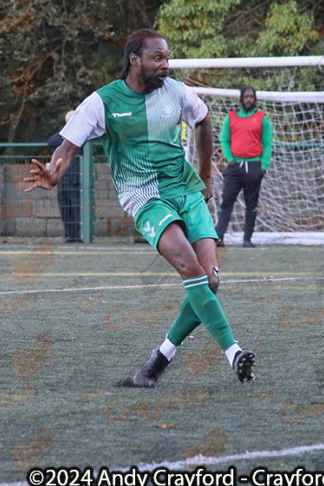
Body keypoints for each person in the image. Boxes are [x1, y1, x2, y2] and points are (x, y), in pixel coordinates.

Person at [25, 29, 256, 386]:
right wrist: (54, 174)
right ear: (135, 60)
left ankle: (157, 362)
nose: (165, 65)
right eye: (157, 58)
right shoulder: (102, 102)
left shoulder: (177, 92)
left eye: (167, 58)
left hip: (186, 190)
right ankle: (234, 353)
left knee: (209, 281)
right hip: (144, 196)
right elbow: (67, 148)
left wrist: (206, 176)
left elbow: (204, 120)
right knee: (188, 265)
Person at [214, 86, 273, 248]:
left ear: (255, 99)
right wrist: (230, 160)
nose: (248, 99)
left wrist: (264, 166)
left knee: (252, 204)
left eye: (251, 97)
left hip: (254, 166)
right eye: (246, 96)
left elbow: (268, 144)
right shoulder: (231, 117)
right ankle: (219, 236)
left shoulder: (262, 118)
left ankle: (247, 238)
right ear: (241, 98)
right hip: (235, 167)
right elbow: (224, 139)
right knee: (226, 201)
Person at [47, 111, 82, 243]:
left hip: (77, 178)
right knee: (65, 207)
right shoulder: (62, 135)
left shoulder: (83, 134)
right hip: (62, 178)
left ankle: (80, 235)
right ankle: (70, 235)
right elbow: (51, 141)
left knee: (77, 207)